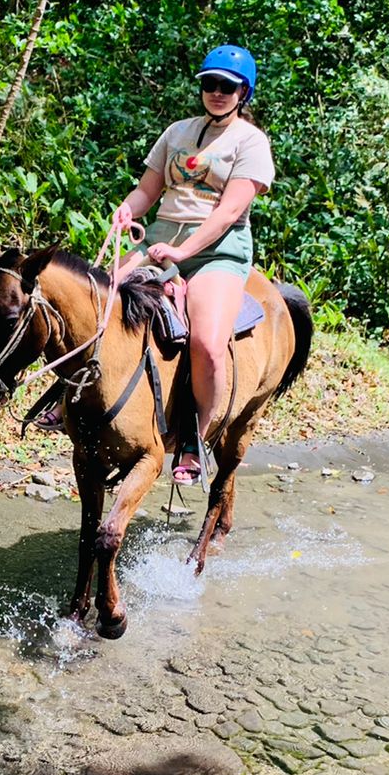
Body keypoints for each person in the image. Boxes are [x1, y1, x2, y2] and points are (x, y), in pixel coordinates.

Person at [112, 44, 274, 483]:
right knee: (100, 298)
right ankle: (67, 397)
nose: (217, 92)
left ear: (244, 93)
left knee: (206, 342)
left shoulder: (251, 142)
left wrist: (184, 253)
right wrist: (127, 210)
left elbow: (227, 212)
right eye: (210, 84)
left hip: (218, 251)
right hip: (162, 239)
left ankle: (195, 441)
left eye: (227, 86)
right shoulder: (177, 131)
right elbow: (148, 190)